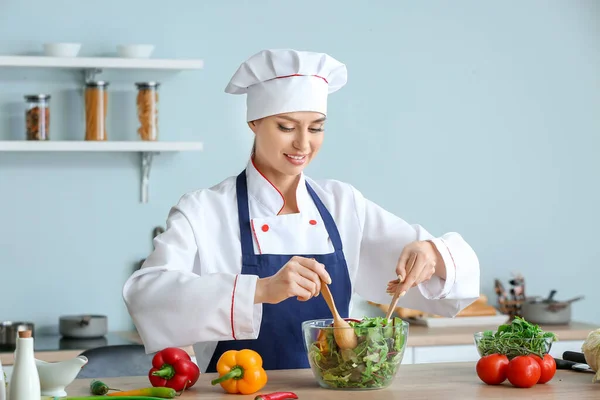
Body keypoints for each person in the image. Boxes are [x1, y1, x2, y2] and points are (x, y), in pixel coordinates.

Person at [122, 48, 480, 373]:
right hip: (236, 392)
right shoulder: (204, 210)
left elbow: (455, 275)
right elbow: (146, 295)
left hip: (333, 392)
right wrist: (259, 290)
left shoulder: (342, 204)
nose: (303, 144)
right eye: (286, 127)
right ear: (254, 123)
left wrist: (433, 253)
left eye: (316, 128)